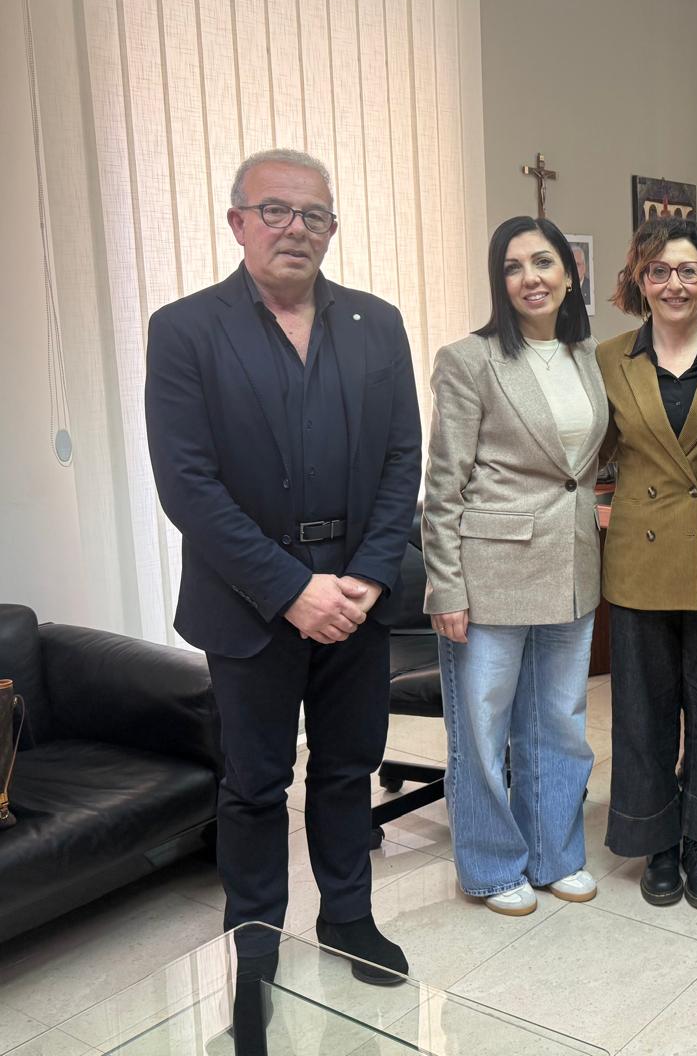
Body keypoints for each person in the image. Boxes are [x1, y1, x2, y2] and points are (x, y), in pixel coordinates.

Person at [145, 148, 421, 986]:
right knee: (256, 783)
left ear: (333, 228)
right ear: (238, 222)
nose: (295, 228)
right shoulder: (186, 330)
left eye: (314, 215)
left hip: (358, 594)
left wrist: (370, 574)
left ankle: (349, 918)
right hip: (248, 600)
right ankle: (255, 939)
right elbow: (187, 485)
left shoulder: (377, 324)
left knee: (346, 769)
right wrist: (291, 589)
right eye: (275, 210)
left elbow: (401, 460)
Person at [422, 216, 608, 916]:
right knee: (482, 729)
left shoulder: (586, 355)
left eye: (543, 262)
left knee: (559, 720)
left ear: (569, 273)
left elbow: (580, 467)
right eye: (512, 266)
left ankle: (555, 854)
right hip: (490, 571)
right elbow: (443, 485)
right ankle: (492, 865)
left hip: (571, 567)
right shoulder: (469, 360)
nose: (530, 278)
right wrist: (445, 586)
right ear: (499, 282)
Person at [597, 218, 697, 909]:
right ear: (639, 279)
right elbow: (586, 453)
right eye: (659, 271)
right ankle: (656, 839)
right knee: (642, 714)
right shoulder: (607, 360)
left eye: (688, 270)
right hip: (640, 559)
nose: (674, 284)